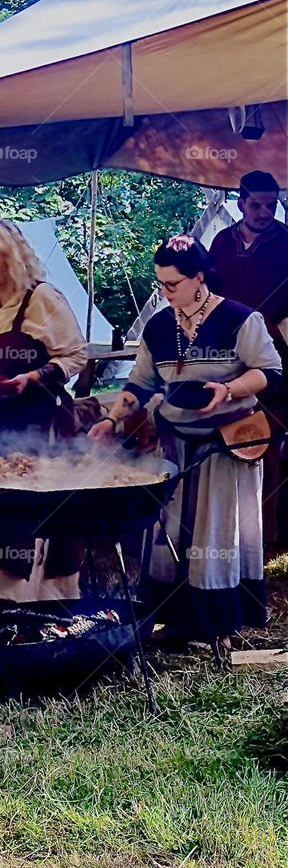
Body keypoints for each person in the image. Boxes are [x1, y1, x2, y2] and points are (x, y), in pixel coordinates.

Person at [89, 235, 282, 642]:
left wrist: (228, 390)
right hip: (174, 441)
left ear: (198, 278)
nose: (164, 291)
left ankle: (216, 624)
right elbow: (140, 384)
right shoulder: (160, 326)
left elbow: (271, 372)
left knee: (214, 532)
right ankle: (174, 619)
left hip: (225, 442)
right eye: (160, 283)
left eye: (171, 284)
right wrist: (111, 420)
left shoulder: (239, 319)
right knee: (170, 533)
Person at [0, 219, 87, 601]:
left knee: (33, 513)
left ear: (13, 256)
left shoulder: (43, 299)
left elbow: (76, 355)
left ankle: (41, 601)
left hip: (39, 425)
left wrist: (32, 377)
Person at [209, 170, 288, 551]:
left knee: (266, 441)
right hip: (227, 354)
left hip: (274, 355)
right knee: (224, 440)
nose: (264, 211)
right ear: (240, 202)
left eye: (271, 205)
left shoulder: (285, 242)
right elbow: (207, 289)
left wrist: (270, 324)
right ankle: (226, 530)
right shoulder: (223, 241)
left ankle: (266, 535)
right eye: (256, 204)